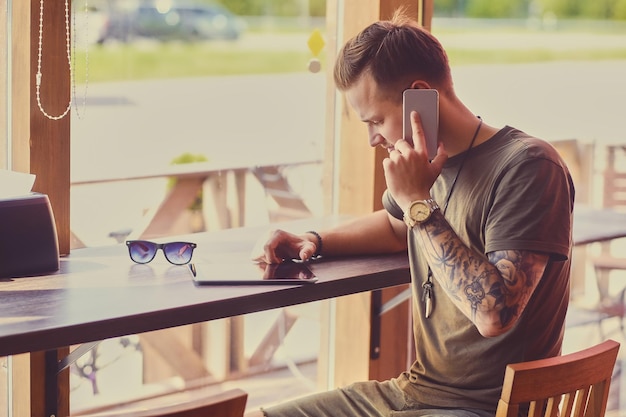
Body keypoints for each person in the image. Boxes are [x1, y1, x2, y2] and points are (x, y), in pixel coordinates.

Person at [249, 9, 574, 417]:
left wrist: (419, 204)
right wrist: (315, 240)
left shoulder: (528, 165)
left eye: (377, 120)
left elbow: (495, 313)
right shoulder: (424, 168)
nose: (372, 139)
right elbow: (393, 225)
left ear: (420, 95)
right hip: (417, 391)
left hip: (487, 408)